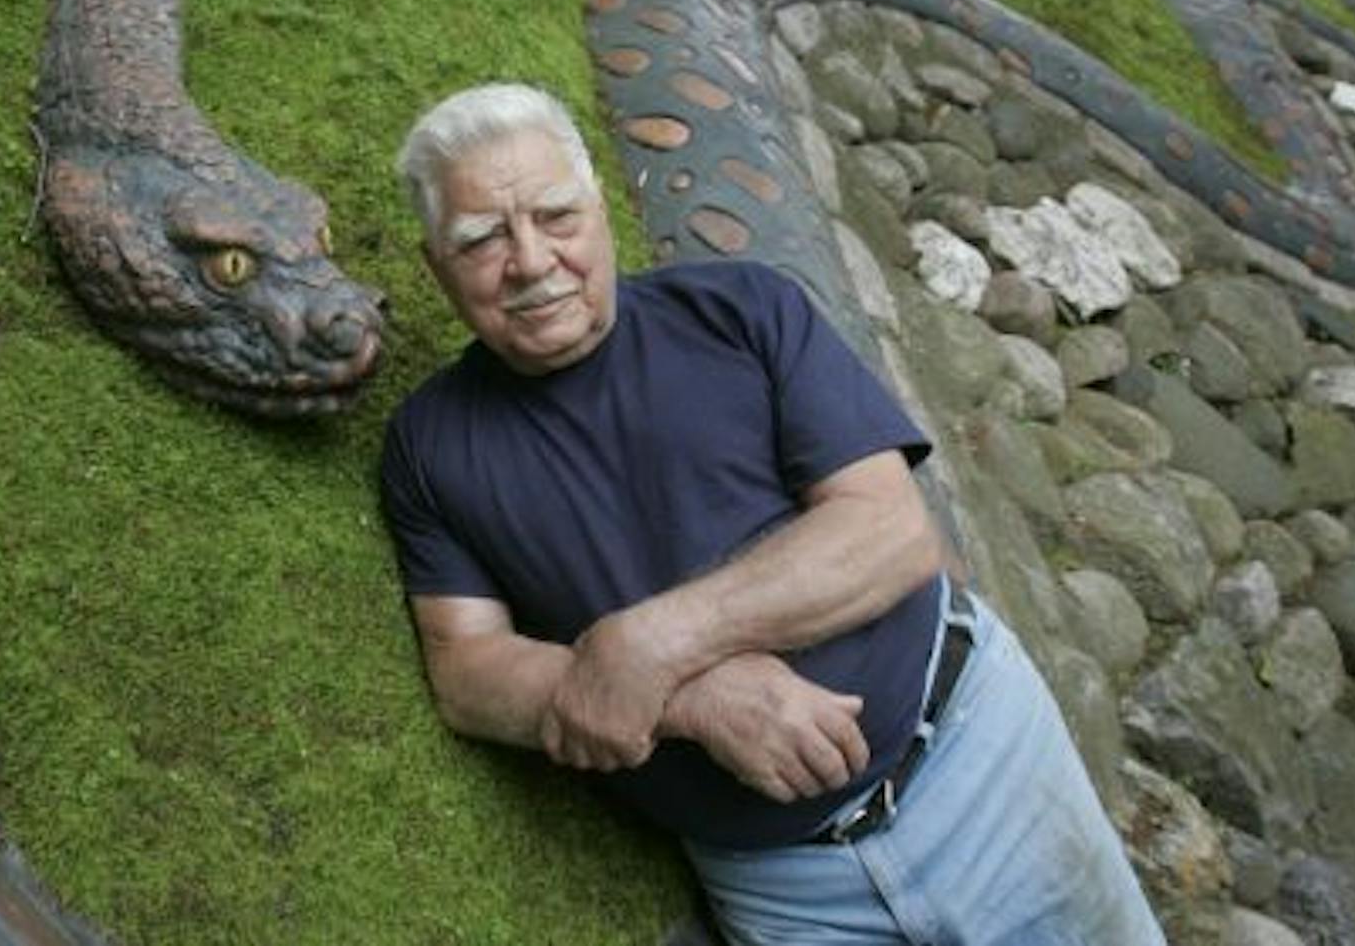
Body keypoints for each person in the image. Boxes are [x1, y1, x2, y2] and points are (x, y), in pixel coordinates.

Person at [379, 82, 1165, 945]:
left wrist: (657, 644)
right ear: (435, 267)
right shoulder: (429, 445)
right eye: (483, 239)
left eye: (555, 216)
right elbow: (468, 671)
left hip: (984, 769)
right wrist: (689, 700)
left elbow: (891, 534)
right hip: (784, 890)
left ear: (600, 208)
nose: (530, 261)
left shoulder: (741, 310)